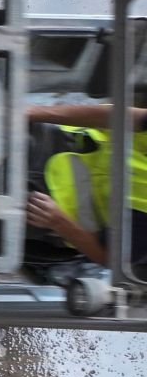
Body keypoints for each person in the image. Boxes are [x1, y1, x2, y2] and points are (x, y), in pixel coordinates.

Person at [25, 103, 147, 269]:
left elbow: (108, 257)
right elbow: (115, 116)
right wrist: (34, 112)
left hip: (49, 207)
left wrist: (57, 221)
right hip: (64, 143)